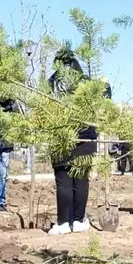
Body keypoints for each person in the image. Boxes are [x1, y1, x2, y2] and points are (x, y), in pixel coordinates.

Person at [46, 50, 109, 236]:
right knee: (81, 180)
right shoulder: (88, 81)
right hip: (86, 136)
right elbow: (106, 97)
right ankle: (79, 219)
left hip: (61, 136)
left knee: (64, 180)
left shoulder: (52, 83)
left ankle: (64, 222)